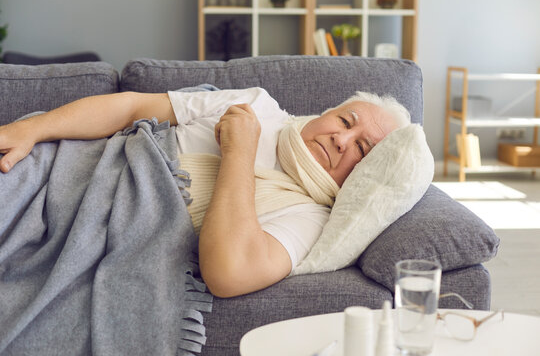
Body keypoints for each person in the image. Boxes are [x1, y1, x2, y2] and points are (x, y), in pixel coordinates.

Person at [0, 87, 410, 298]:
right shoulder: (259, 106)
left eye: (361, 148)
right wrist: (28, 131)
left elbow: (228, 274)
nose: (342, 139)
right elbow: (129, 109)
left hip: (99, 221)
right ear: (326, 113)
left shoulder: (310, 217)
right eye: (346, 121)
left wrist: (238, 152)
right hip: (64, 165)